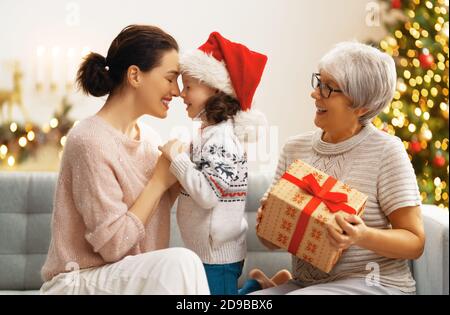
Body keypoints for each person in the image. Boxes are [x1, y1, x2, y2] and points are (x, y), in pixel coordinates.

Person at [40, 25, 210, 295]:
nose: (177, 92)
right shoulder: (88, 140)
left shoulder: (151, 140)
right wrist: (158, 181)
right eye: (170, 78)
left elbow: (151, 217)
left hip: (129, 275)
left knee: (183, 264)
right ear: (135, 75)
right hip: (76, 281)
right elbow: (114, 246)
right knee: (181, 263)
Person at [253, 41, 425, 295]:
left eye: (328, 88)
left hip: (373, 283)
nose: (315, 94)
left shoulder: (387, 151)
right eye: (318, 82)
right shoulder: (294, 148)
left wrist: (361, 236)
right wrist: (269, 222)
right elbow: (269, 241)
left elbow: (415, 242)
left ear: (361, 106)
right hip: (306, 285)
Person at [158, 32, 267, 295]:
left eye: (189, 87)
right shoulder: (209, 133)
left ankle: (258, 289)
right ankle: (256, 286)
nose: (182, 94)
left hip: (217, 255)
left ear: (215, 88)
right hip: (207, 250)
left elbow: (207, 194)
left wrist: (178, 159)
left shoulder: (221, 138)